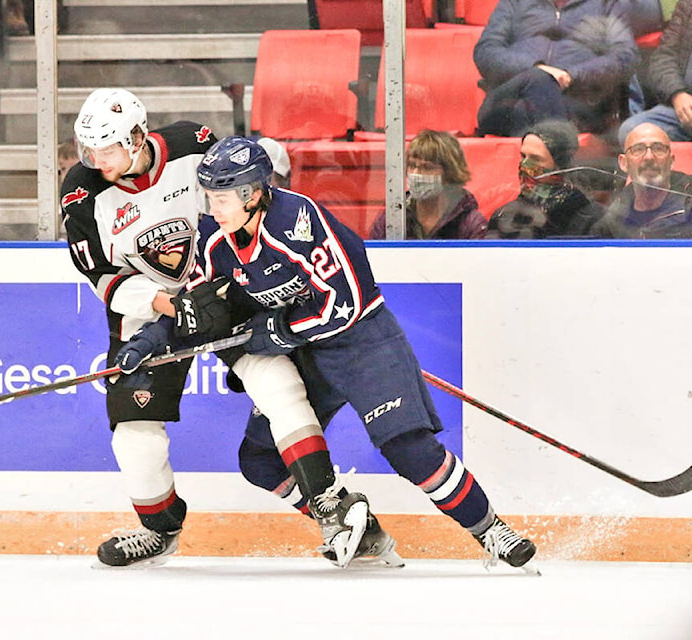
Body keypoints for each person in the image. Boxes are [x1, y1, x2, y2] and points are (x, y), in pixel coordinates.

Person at [60, 88, 382, 568]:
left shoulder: (193, 144)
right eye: (90, 149)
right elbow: (100, 274)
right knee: (133, 429)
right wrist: (166, 304)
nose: (95, 160)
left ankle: (331, 505)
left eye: (106, 149)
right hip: (151, 311)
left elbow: (247, 196)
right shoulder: (82, 192)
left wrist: (238, 282)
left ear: (136, 136)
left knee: (278, 386)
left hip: (228, 288)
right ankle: (158, 528)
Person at [184, 136, 537, 570]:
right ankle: (359, 528)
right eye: (209, 197)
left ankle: (491, 531)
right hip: (305, 352)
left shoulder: (297, 221)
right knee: (259, 460)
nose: (211, 207)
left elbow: (343, 303)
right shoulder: (215, 240)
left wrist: (275, 332)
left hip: (361, 340)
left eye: (220, 198)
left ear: (252, 194)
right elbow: (200, 303)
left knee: (409, 449)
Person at [473, 0, 637, 137]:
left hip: (574, 99)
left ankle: (536, 164)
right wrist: (536, 69)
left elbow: (625, 56)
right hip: (511, 95)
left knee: (523, 112)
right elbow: (486, 51)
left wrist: (571, 75)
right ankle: (554, 161)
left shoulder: (605, 3)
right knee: (538, 81)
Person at [486, 120, 605, 238]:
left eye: (536, 159)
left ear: (561, 165)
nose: (525, 166)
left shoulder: (592, 219)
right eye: (523, 156)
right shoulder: (506, 215)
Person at [370, 129, 487, 239]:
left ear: (449, 173)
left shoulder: (471, 224)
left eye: (427, 167)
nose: (416, 174)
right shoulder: (392, 218)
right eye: (412, 165)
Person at [592, 122, 692, 237]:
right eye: (638, 149)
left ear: (671, 161)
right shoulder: (611, 223)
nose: (649, 157)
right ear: (623, 163)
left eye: (658, 149)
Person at [619, 0, 692, 145]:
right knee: (632, 132)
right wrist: (678, 95)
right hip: (684, 110)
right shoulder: (688, 5)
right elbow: (663, 57)